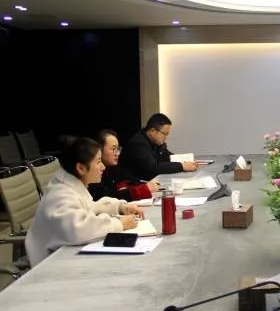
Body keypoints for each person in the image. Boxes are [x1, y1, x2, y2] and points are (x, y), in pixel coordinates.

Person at [25, 136, 145, 267]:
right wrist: (119, 224)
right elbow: (80, 229)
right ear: (81, 168)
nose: (103, 167)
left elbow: (89, 207)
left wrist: (120, 207)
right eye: (98, 162)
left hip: (66, 259)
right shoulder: (60, 195)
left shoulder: (71, 184)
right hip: (50, 266)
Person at [119, 113, 198, 181]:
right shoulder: (138, 144)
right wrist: (181, 166)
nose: (166, 138)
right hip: (133, 185)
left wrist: (186, 161)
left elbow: (167, 156)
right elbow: (153, 168)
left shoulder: (155, 142)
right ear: (152, 131)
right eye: (164, 134)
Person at [88, 129, 160, 202]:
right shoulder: (93, 173)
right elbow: (107, 198)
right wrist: (140, 190)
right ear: (99, 150)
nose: (118, 153)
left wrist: (126, 188)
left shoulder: (114, 168)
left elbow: (134, 181)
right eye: (113, 149)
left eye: (118, 149)